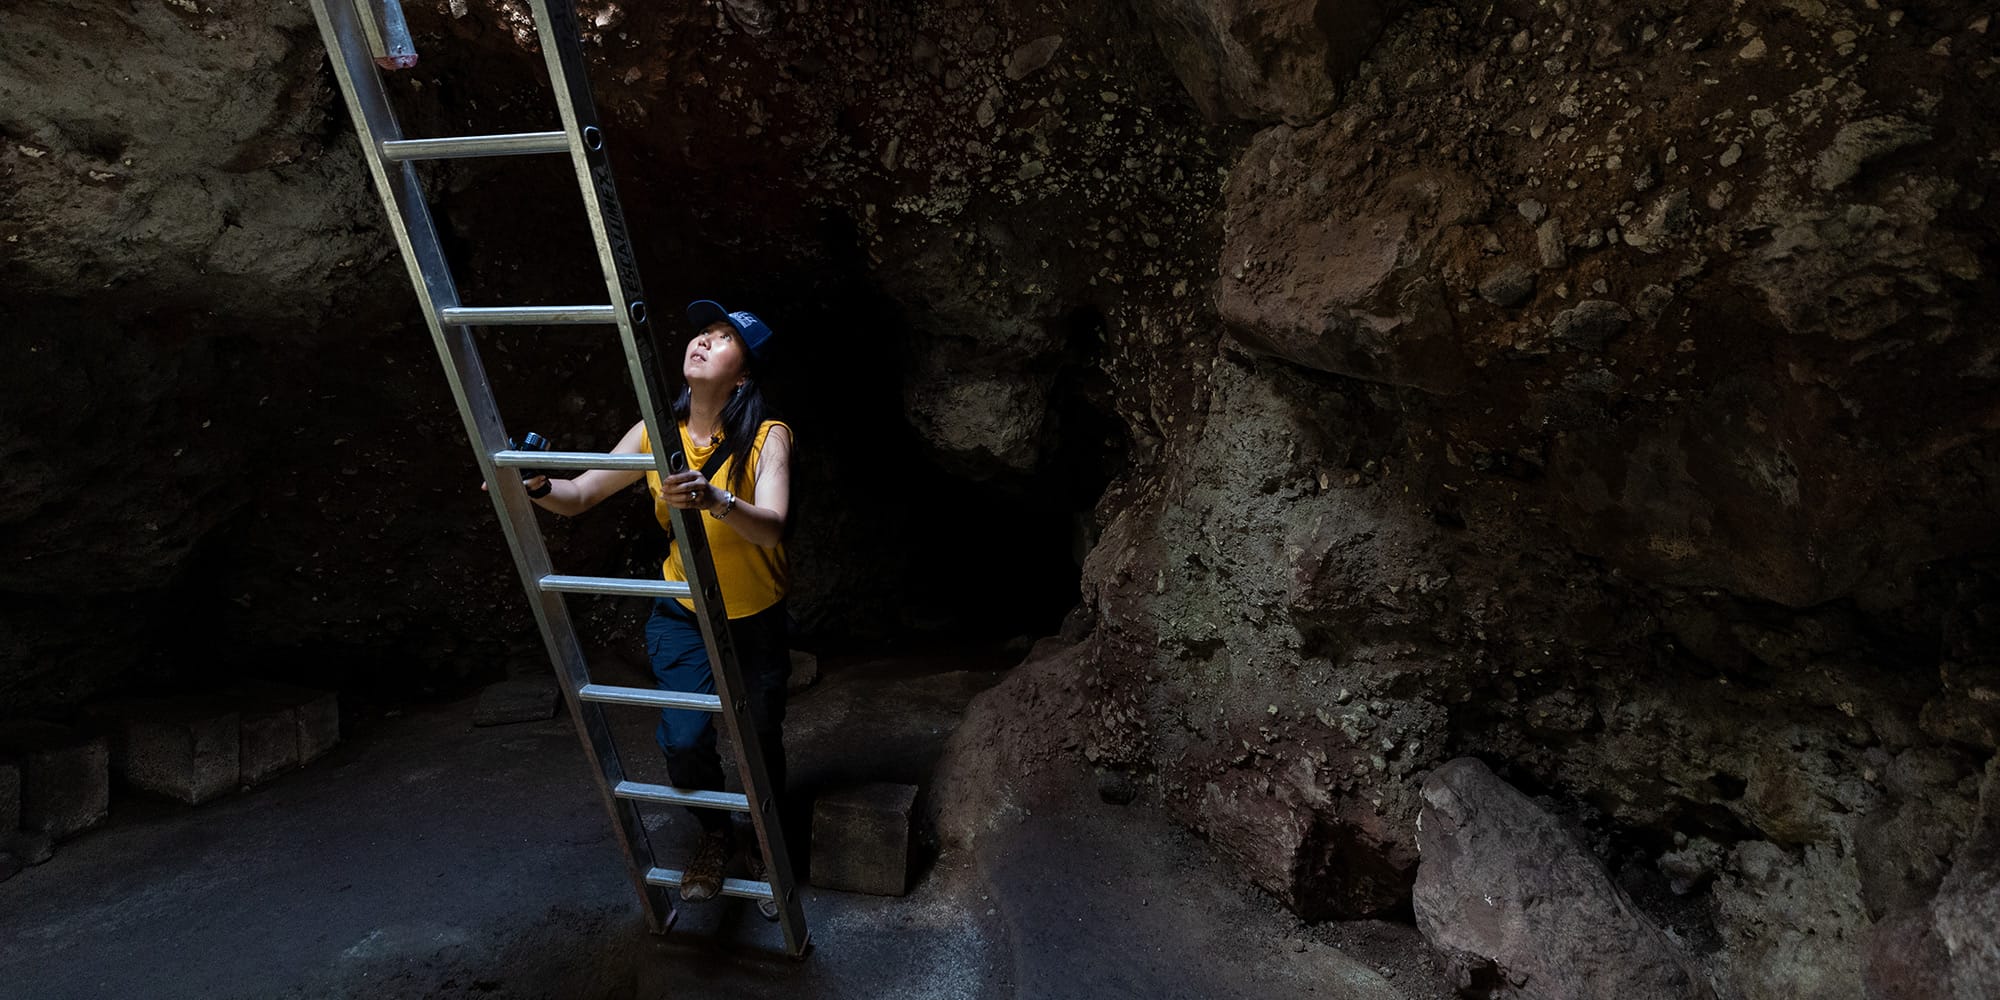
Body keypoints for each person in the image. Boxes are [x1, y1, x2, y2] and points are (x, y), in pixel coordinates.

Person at [512, 300, 794, 909]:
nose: (703, 341)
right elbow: (581, 493)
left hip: (754, 619)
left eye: (723, 341)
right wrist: (535, 481)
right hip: (684, 612)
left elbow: (772, 527)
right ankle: (717, 838)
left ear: (742, 376)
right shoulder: (652, 433)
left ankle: (769, 847)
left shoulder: (768, 436)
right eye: (703, 333)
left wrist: (716, 498)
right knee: (684, 737)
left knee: (760, 736)